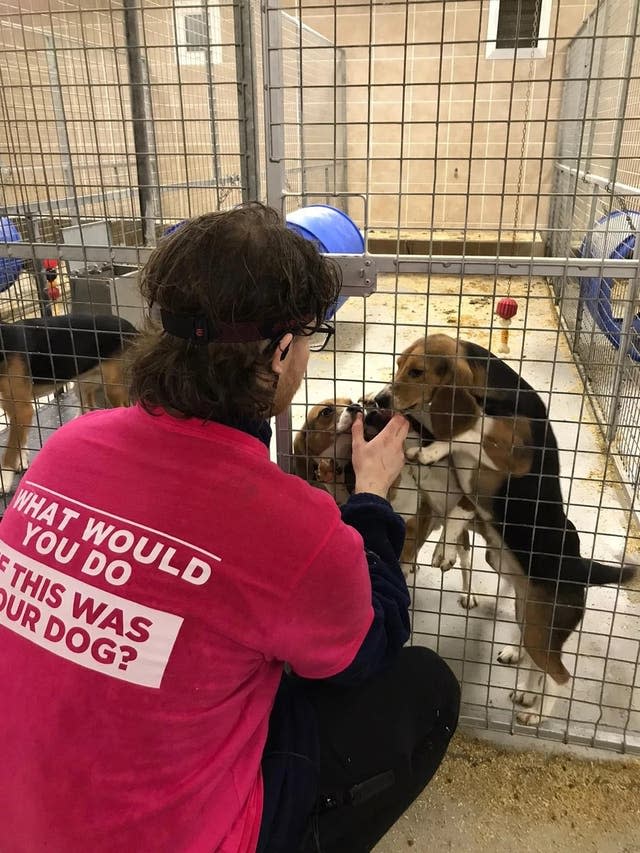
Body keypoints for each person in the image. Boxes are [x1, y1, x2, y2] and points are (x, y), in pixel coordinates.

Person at [0, 203, 459, 853]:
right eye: (309, 336)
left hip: (20, 821)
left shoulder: (68, 446)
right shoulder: (291, 524)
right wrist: (372, 500)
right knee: (424, 687)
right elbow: (371, 644)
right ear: (279, 351)